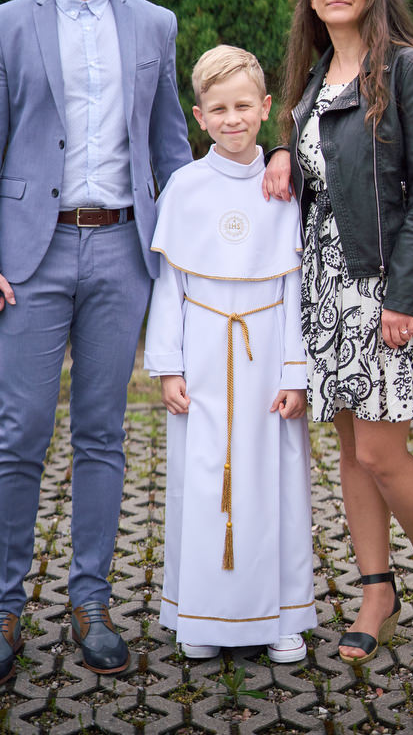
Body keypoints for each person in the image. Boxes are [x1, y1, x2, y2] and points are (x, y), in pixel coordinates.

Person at [0, 0, 192, 687]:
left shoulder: (155, 24)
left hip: (124, 251)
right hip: (31, 257)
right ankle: (2, 610)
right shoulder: (4, 25)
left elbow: (171, 147)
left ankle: (92, 602)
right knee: (20, 433)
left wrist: (195, 253)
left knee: (102, 433)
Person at [263, 0, 413, 662]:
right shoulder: (313, 80)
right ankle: (376, 591)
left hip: (390, 281)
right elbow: (319, 161)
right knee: (352, 450)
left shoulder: (412, 71)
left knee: (385, 452)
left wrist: (403, 296)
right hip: (326, 285)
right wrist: (282, 148)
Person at [144, 45, 317, 663]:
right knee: (200, 480)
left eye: (244, 105)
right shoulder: (185, 187)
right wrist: (168, 366)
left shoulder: (283, 187)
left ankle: (282, 617)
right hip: (202, 357)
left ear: (266, 108)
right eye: (218, 109)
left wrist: (296, 372)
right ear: (199, 116)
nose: (233, 118)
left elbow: (295, 287)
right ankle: (199, 614)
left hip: (267, 360)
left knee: (275, 484)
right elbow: (171, 285)